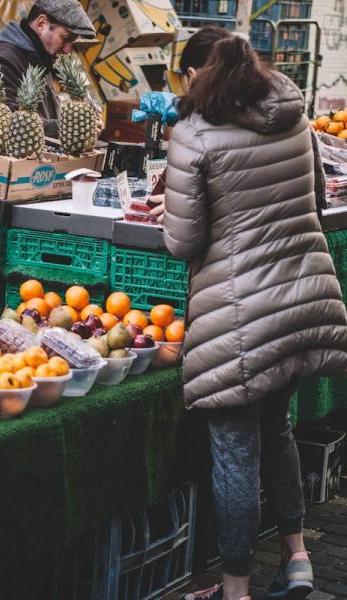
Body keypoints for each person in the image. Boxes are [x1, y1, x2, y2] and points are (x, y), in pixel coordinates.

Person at [151, 27, 347, 600]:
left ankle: (235, 591)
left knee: (234, 453)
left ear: (195, 76)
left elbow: (184, 243)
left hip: (240, 317)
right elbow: (315, 198)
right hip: (299, 303)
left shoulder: (193, 135)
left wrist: (175, 203)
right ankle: (298, 558)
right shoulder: (292, 116)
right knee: (276, 431)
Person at [0, 0, 95, 139]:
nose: (67, 50)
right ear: (42, 24)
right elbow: (9, 125)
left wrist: (82, 123)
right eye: (65, 38)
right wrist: (71, 127)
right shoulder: (2, 61)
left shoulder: (39, 62)